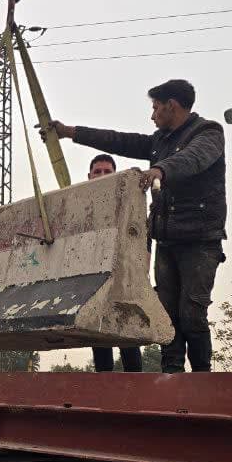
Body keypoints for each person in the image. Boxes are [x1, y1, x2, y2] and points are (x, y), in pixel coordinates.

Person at [45, 79, 226, 373]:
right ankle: (172, 374)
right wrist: (71, 133)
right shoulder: (160, 141)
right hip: (167, 239)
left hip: (199, 240)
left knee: (192, 312)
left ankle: (202, 376)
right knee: (167, 316)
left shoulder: (208, 133)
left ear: (172, 106)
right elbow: (120, 140)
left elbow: (192, 159)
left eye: (155, 108)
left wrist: (160, 169)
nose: (152, 115)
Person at [83, 154, 144, 372]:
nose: (102, 176)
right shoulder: (81, 208)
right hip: (94, 282)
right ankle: (103, 396)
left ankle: (137, 394)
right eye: (97, 172)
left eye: (107, 172)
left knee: (128, 339)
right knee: (100, 341)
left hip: (124, 282)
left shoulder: (129, 205)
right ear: (89, 176)